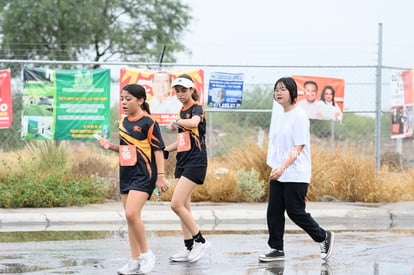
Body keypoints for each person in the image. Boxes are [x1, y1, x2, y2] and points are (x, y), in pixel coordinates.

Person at [259, 77, 334, 262]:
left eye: (283, 89)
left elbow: (298, 147)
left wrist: (283, 167)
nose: (278, 92)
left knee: (295, 211)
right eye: (276, 89)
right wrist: (275, 166)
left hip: (296, 172)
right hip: (279, 171)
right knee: (274, 211)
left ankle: (323, 237)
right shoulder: (279, 115)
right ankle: (276, 249)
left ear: (292, 92)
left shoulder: (299, 116)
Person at [96, 84, 169, 274]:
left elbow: (158, 150)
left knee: (131, 214)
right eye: (122, 99)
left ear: (140, 101)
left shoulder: (148, 123)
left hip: (144, 173)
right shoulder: (123, 123)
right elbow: (128, 149)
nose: (124, 103)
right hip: (126, 173)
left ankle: (146, 254)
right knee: (131, 218)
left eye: (128, 99)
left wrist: (161, 176)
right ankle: (135, 260)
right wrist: (110, 146)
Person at [164, 74, 211, 263]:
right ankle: (189, 246)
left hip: (196, 161)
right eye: (177, 91)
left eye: (184, 90)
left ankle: (202, 241)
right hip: (182, 161)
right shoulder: (182, 111)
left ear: (192, 90)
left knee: (175, 204)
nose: (180, 94)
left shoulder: (196, 108)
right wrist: (165, 150)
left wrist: (177, 122)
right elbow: (183, 141)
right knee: (184, 206)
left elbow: (193, 123)